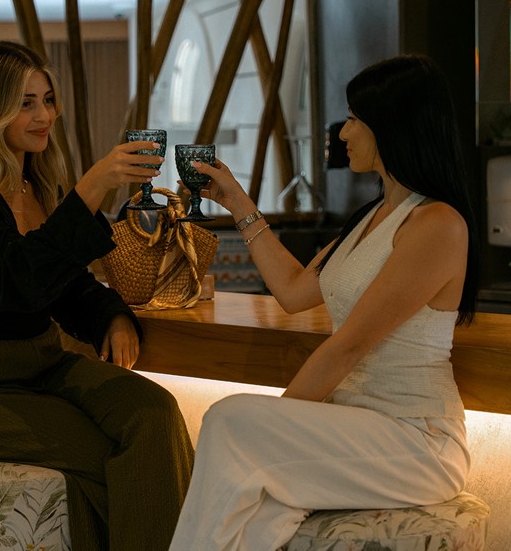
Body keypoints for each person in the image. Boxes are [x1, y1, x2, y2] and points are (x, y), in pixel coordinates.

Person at [168, 55, 480, 551]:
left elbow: (348, 347)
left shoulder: (437, 224)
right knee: (255, 502)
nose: (343, 132)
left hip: (416, 441)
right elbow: (293, 291)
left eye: (354, 118)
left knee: (231, 422)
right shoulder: (371, 217)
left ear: (391, 125)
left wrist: (273, 426)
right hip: (352, 428)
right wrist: (238, 203)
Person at [0, 41, 194, 551]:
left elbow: (65, 283)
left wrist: (110, 316)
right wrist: (91, 188)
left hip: (42, 364)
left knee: (153, 411)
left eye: (47, 100)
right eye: (25, 103)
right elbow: (11, 284)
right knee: (112, 455)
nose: (44, 116)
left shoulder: (36, 185)